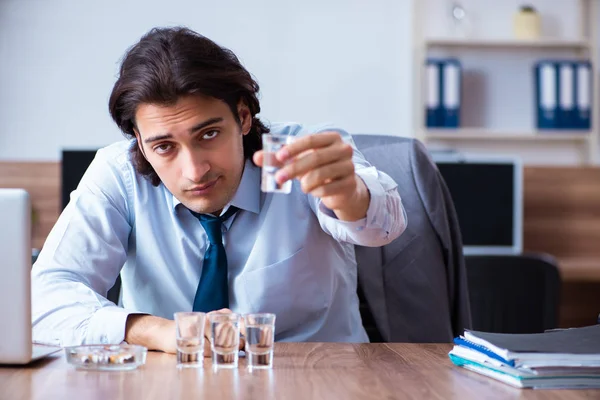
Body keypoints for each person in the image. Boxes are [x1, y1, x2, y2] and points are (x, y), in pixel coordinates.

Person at [31, 27, 407, 354]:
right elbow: (43, 300)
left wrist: (351, 197)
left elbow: (384, 227)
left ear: (243, 116)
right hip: (169, 377)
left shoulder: (296, 155)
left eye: (208, 134)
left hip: (316, 374)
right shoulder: (119, 175)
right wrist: (162, 331)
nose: (195, 170)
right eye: (164, 147)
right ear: (140, 143)